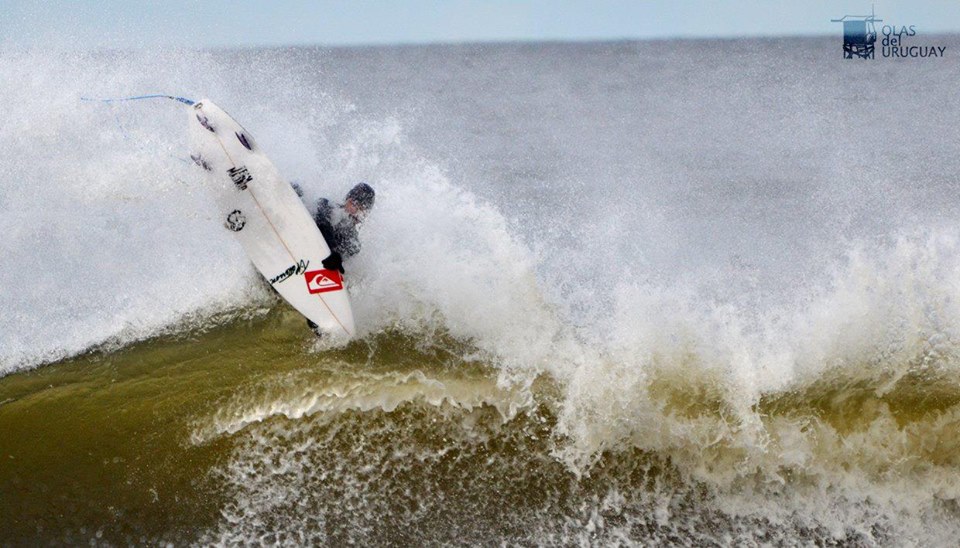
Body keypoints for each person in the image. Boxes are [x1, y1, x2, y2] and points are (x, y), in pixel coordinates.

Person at [293, 182, 376, 333]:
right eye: (358, 207)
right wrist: (332, 251)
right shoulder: (326, 206)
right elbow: (322, 223)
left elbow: (341, 267)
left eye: (364, 211)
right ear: (349, 201)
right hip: (298, 240)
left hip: (310, 266)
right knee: (297, 190)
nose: (360, 215)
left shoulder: (353, 242)